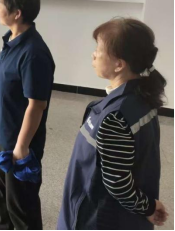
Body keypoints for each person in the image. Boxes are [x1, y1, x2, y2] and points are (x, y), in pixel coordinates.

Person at [58, 18, 169, 230]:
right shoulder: (141, 99)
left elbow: (117, 182)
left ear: (119, 64)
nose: (93, 55)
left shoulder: (115, 117)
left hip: (97, 219)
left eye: (98, 50)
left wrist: (148, 207)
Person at [0, 0, 55, 230]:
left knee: (21, 208)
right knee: (2, 201)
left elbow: (36, 106)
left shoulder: (34, 53)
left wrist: (21, 147)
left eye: (1, 4)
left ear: (17, 13)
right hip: (2, 135)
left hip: (19, 144)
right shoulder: (11, 40)